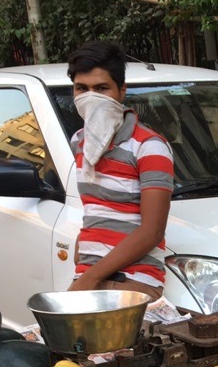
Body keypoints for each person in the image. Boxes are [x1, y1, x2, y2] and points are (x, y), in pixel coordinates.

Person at [66, 40, 174, 300]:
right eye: (82, 89)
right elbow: (95, 208)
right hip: (88, 276)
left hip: (132, 279)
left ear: (121, 91)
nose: (91, 97)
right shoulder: (79, 142)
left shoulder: (150, 147)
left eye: (101, 88)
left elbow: (151, 232)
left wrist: (88, 281)